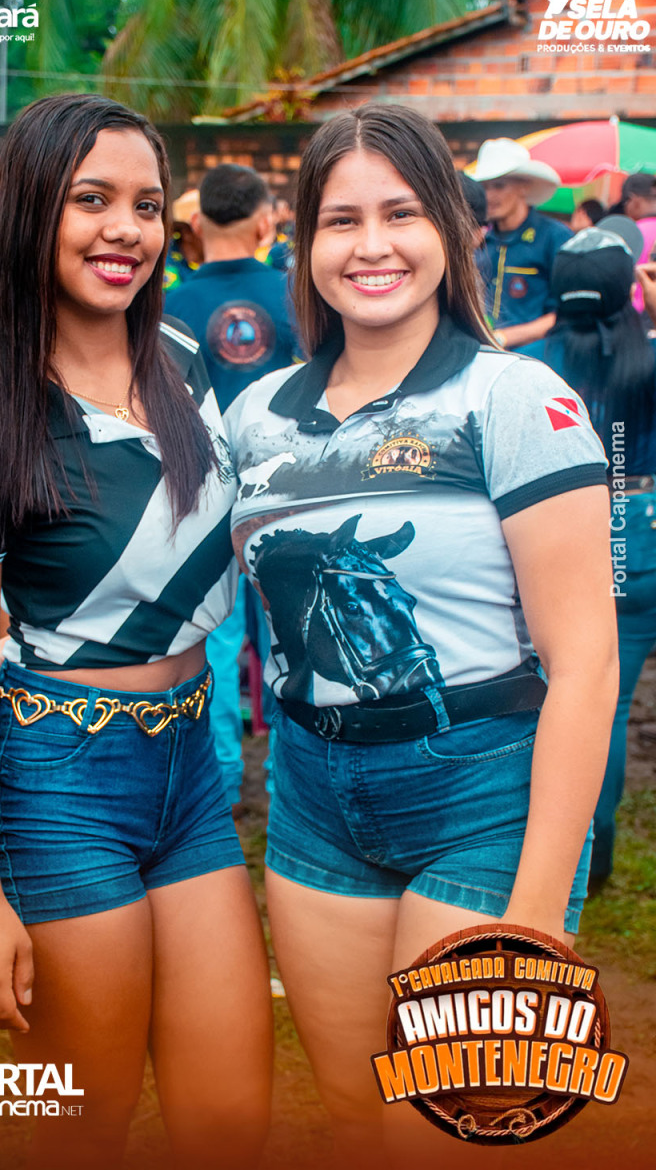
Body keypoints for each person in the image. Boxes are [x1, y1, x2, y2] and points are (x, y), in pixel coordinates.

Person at [224, 103, 617, 1167]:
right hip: (311, 798)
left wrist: (537, 911)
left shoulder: (515, 398)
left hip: (481, 796)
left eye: (400, 213)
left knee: (446, 1133)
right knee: (358, 1120)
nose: (372, 246)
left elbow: (586, 666)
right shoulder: (255, 415)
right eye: (340, 220)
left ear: (448, 226)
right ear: (303, 244)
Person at [0, 95, 271, 1170]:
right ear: (32, 212)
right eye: (92, 200)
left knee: (228, 1118)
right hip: (60, 776)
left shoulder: (185, 363)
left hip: (191, 769)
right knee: (87, 1119)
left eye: (148, 205)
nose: (126, 229)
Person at [520, 224, 656, 887]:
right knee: (610, 700)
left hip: (569, 530)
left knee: (582, 698)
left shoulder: (529, 367)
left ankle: (579, 856)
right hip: (640, 521)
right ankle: (591, 855)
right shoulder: (648, 355)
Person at [166, 163, 299, 807]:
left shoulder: (167, 304)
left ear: (196, 221)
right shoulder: (297, 295)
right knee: (289, 632)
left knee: (212, 635)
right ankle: (284, 775)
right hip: (287, 487)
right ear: (265, 220)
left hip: (199, 488)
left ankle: (219, 775)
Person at [470, 137, 570, 349]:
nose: (489, 196)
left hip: (538, 356)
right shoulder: (481, 242)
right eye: (484, 187)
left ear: (524, 187)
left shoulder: (555, 237)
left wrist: (503, 337)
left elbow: (566, 312)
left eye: (499, 186)